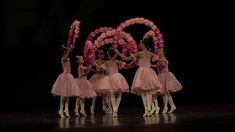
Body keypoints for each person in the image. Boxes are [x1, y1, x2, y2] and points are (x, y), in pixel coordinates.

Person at [114, 39, 163, 117]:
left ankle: (148, 109)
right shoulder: (150, 53)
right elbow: (157, 58)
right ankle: (148, 110)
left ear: (143, 45)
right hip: (148, 72)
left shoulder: (140, 54)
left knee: (145, 92)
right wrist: (160, 53)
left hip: (142, 72)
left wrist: (117, 52)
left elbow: (126, 58)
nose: (139, 45)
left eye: (140, 43)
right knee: (146, 92)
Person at [97, 48, 129, 117]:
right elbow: (126, 65)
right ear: (114, 55)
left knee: (112, 94)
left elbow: (100, 68)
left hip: (111, 78)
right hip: (117, 77)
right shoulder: (116, 61)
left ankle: (114, 109)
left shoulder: (107, 62)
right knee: (119, 94)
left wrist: (96, 65)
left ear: (109, 55)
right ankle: (115, 109)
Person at [51, 47, 78, 118]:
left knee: (67, 95)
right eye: (65, 52)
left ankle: (66, 110)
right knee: (63, 95)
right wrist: (68, 51)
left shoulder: (67, 58)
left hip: (69, 76)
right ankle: (60, 110)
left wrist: (68, 51)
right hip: (64, 77)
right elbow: (66, 57)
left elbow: (67, 58)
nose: (67, 53)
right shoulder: (63, 59)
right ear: (64, 53)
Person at [89, 49, 112, 114]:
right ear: (98, 55)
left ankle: (106, 107)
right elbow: (90, 68)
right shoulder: (95, 61)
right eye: (101, 54)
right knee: (95, 94)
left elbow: (106, 70)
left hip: (103, 77)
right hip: (97, 78)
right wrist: (95, 70)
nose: (102, 55)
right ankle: (92, 107)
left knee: (104, 93)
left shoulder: (105, 62)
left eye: (103, 54)